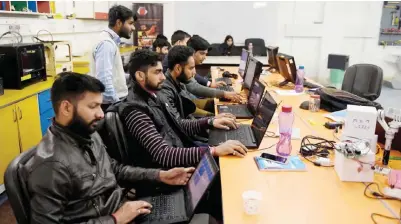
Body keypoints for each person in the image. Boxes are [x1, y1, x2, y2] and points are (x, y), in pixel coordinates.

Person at [23, 72, 196, 224]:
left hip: (123, 209)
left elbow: (114, 169)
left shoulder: (88, 134)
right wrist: (115, 219)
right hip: (116, 217)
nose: (101, 114)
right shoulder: (51, 165)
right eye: (93, 106)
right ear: (66, 108)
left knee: (195, 209)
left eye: (100, 105)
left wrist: (160, 175)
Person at [114, 49, 248, 169]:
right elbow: (164, 155)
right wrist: (213, 151)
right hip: (171, 170)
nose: (163, 77)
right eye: (157, 72)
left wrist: (210, 122)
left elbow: (178, 125)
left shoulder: (152, 96)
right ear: (140, 76)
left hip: (181, 151)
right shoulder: (135, 111)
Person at [89, 5, 136, 112]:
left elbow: (113, 75)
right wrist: (117, 104)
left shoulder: (109, 41)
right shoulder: (106, 44)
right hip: (111, 104)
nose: (133, 28)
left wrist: (132, 77)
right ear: (119, 23)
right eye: (130, 23)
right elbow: (104, 79)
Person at [186, 35, 242, 101]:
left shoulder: (191, 66)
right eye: (202, 53)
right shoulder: (185, 66)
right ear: (192, 52)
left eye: (206, 54)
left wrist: (210, 84)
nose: (205, 57)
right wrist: (223, 94)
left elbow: (195, 77)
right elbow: (194, 87)